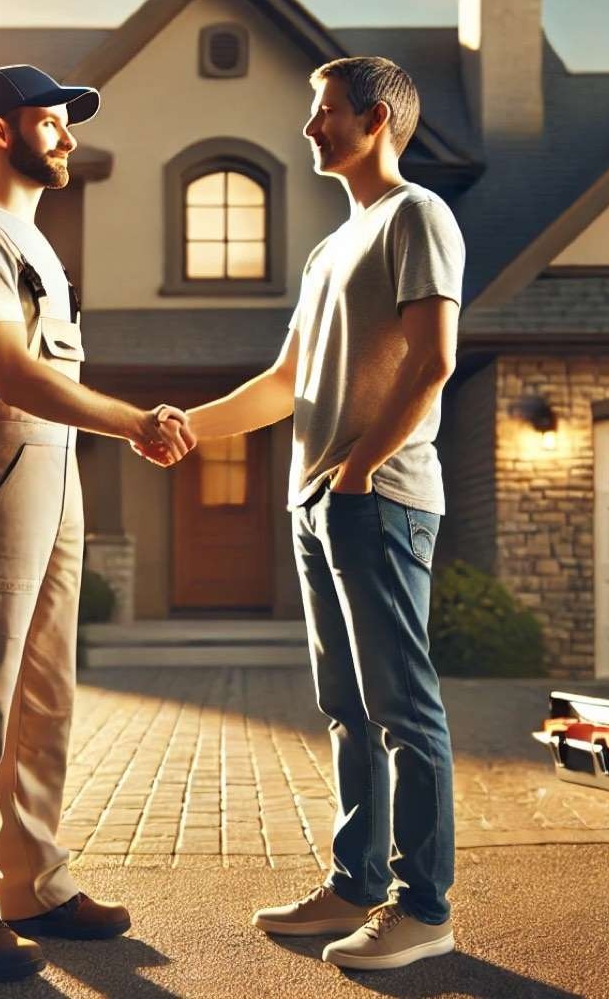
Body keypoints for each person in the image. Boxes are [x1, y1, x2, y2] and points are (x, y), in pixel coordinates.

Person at [0, 63, 196, 983]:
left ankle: (33, 881)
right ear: (0, 131)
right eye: (51, 121)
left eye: (68, 124)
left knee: (45, 687)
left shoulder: (32, 242)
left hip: (52, 464)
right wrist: (137, 423)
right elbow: (19, 377)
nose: (67, 136)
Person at [183, 56, 464, 971]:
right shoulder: (326, 249)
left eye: (324, 112)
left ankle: (424, 908)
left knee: (402, 709)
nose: (310, 127)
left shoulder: (416, 217)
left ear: (374, 118)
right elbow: (282, 385)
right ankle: (355, 882)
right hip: (321, 501)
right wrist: (184, 427)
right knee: (346, 705)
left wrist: (359, 472)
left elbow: (433, 360)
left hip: (376, 500)